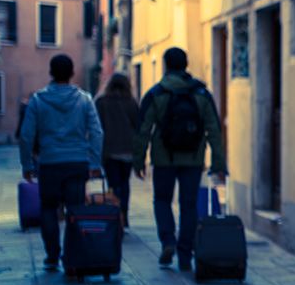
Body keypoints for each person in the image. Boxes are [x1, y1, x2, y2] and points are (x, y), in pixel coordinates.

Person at [133, 47, 226, 271]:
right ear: (186, 65)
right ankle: (185, 254)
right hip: (193, 159)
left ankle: (168, 241)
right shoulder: (202, 94)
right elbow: (214, 129)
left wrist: (138, 161)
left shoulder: (156, 93)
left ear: (165, 65)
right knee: (189, 205)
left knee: (162, 201)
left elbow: (143, 129)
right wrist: (218, 163)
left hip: (163, 159)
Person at [19, 54, 104, 270]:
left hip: (49, 163)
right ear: (72, 73)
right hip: (77, 163)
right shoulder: (84, 99)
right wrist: (94, 163)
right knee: (75, 210)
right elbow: (97, 132)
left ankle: (52, 256)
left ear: (51, 72)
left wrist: (27, 165)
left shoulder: (38, 100)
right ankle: (72, 253)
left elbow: (26, 135)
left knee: (48, 209)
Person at [95, 73, 140, 227]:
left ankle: (115, 216)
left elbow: (96, 128)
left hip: (109, 150)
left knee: (113, 185)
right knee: (124, 183)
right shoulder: (131, 102)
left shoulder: (101, 102)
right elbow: (138, 126)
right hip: (128, 150)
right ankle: (124, 216)